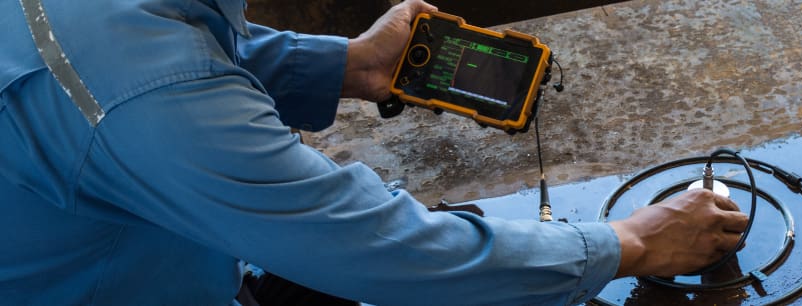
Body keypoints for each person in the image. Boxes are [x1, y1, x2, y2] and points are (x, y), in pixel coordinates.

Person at [0, 0, 749, 304]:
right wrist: (626, 242)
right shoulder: (145, 99)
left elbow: (164, 46)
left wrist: (349, 65)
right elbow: (369, 247)